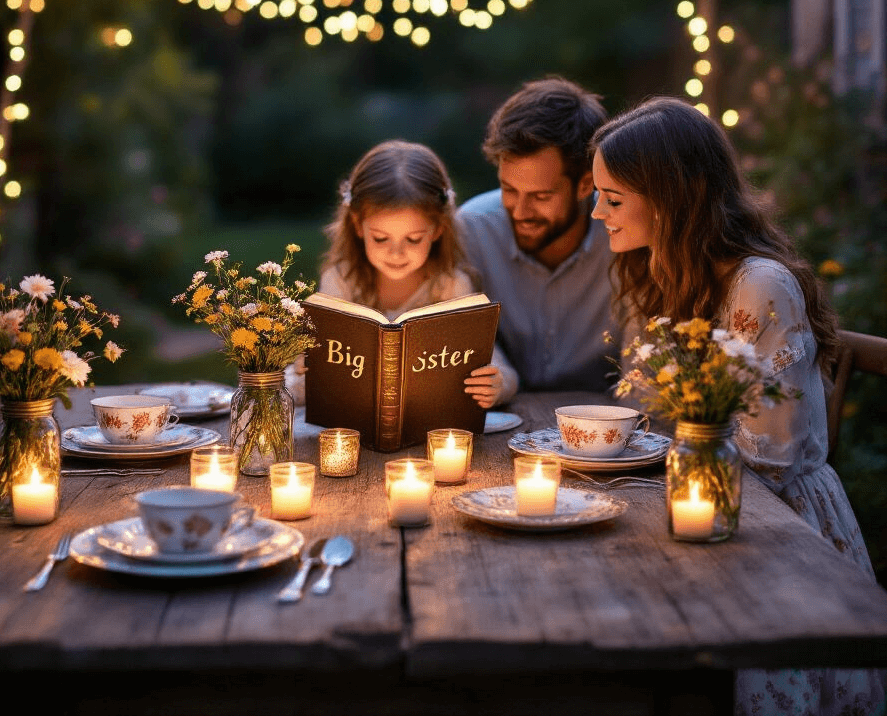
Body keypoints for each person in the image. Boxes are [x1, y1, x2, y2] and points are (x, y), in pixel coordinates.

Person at [590, 97, 883, 716]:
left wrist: (664, 459)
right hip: (717, 498)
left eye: (613, 199)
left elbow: (769, 459)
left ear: (673, 199)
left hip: (779, 529)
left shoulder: (759, 285)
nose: (596, 212)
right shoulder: (680, 271)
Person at [288, 140, 513, 408]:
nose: (396, 254)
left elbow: (498, 367)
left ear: (438, 230)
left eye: (414, 239)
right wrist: (306, 373)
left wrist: (497, 386)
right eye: (381, 239)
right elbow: (296, 382)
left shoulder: (450, 286)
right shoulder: (342, 280)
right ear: (358, 225)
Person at [457, 76, 620, 392]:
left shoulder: (624, 234)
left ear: (586, 185)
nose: (519, 212)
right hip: (503, 417)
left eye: (541, 196)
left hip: (604, 419)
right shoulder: (472, 230)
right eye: (508, 189)